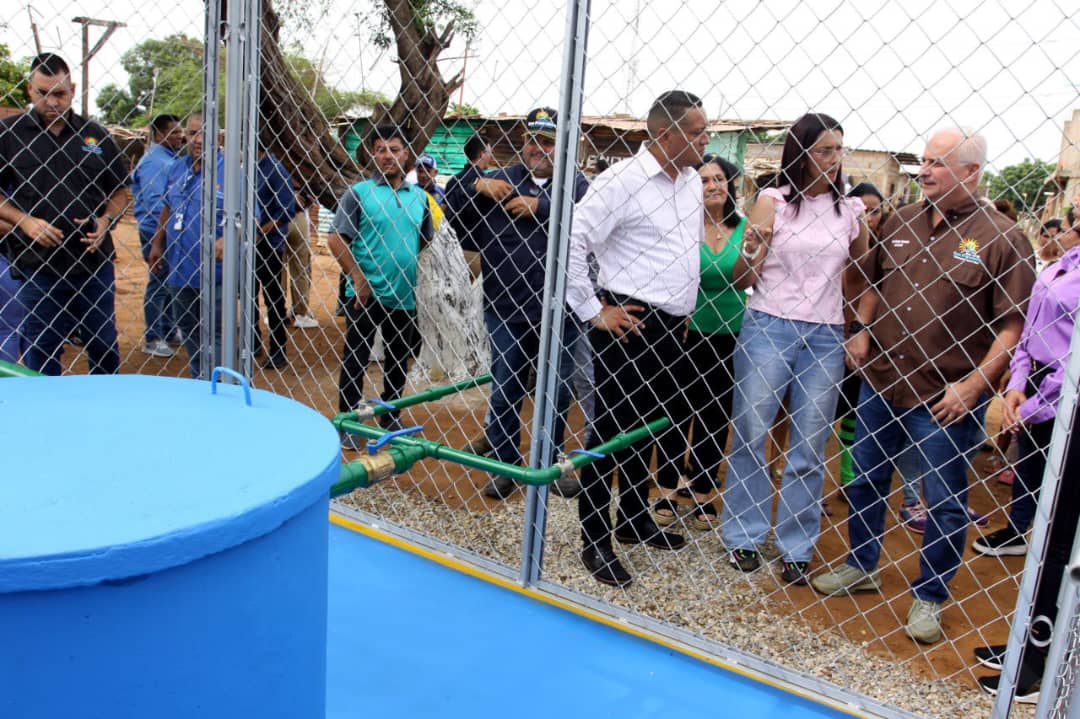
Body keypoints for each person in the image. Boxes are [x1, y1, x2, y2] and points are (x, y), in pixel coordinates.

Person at [812, 127, 1035, 645]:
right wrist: (863, 329)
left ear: (971, 172)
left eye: (938, 163)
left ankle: (930, 596)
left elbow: (1012, 325)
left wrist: (975, 386)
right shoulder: (901, 221)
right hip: (883, 381)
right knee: (866, 479)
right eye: (925, 162)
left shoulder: (1003, 238)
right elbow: (870, 279)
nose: (925, 171)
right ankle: (861, 565)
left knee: (943, 499)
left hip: (946, 396)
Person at [566, 90, 709, 587]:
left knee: (649, 425)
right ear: (664, 135)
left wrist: (684, 310)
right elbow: (573, 236)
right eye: (696, 132)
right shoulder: (623, 180)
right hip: (628, 320)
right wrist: (591, 310)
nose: (705, 139)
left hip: (671, 325)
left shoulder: (690, 182)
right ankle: (595, 538)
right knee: (609, 429)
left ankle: (631, 518)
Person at [720, 113, 869, 586]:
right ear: (800, 153)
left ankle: (795, 545)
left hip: (825, 334)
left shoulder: (851, 211)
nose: (833, 159)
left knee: (809, 445)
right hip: (769, 325)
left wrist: (858, 326)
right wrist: (752, 249)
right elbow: (743, 278)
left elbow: (864, 276)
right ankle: (744, 534)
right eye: (824, 150)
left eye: (838, 150)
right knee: (751, 431)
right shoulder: (773, 201)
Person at [974, 208, 1080, 703]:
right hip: (1035, 395)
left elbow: (1074, 359)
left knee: (1060, 540)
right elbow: (1032, 332)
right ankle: (1029, 641)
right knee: (1041, 532)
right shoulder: (1066, 261)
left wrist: (1035, 403)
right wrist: (1017, 388)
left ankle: (1041, 662)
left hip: (1067, 406)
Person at [461, 107, 589, 500]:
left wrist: (543, 208)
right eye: (533, 139)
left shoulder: (577, 186)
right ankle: (504, 464)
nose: (539, 147)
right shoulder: (500, 179)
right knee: (505, 388)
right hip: (505, 306)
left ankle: (549, 464)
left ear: (562, 147)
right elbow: (454, 210)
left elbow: (591, 218)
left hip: (560, 311)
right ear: (523, 142)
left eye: (548, 141)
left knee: (558, 390)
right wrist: (476, 186)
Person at [0, 53, 129, 376]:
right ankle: (47, 416)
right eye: (42, 93)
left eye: (59, 93)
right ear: (29, 90)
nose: (51, 101)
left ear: (72, 89)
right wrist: (25, 221)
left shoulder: (95, 135)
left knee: (103, 345)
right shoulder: (9, 135)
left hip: (92, 262)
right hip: (37, 264)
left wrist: (105, 222)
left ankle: (104, 410)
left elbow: (120, 191)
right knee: (42, 348)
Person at [653, 154, 749, 531]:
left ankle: (704, 489)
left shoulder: (745, 228)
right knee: (675, 409)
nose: (712, 186)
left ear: (731, 185)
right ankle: (666, 486)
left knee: (715, 414)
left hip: (731, 334)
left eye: (719, 178)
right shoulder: (681, 227)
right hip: (683, 332)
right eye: (704, 180)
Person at [328, 124, 432, 441]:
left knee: (398, 358)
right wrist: (358, 277)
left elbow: (424, 242)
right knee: (356, 358)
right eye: (381, 149)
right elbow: (335, 238)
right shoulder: (358, 193)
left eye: (394, 149)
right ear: (373, 154)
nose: (387, 156)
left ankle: (390, 418)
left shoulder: (421, 198)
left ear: (407, 155)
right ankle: (349, 424)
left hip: (403, 295)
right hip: (365, 295)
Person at [147, 112, 225, 379]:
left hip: (215, 272)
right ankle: (199, 377)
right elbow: (167, 208)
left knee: (216, 332)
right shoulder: (176, 169)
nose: (198, 140)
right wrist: (157, 244)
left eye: (205, 133)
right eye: (192, 134)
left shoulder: (231, 171)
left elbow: (250, 216)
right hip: (180, 267)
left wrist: (227, 238)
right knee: (190, 329)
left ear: (219, 137)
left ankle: (218, 382)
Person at [131, 113, 183, 357]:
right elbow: (155, 203)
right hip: (156, 231)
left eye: (179, 131)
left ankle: (169, 329)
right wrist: (161, 238)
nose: (179, 136)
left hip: (168, 230)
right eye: (173, 132)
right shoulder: (154, 162)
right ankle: (153, 337)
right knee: (159, 283)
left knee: (169, 282)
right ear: (159, 134)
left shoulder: (169, 158)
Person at [253, 148, 296, 369]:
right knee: (249, 294)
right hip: (249, 244)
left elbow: (287, 209)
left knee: (273, 297)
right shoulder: (249, 167)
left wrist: (262, 231)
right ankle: (253, 342)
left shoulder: (275, 170)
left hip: (268, 245)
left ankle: (278, 351)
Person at [444, 133, 494, 252]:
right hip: (475, 248)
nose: (491, 156)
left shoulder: (453, 181)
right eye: (490, 153)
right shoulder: (486, 183)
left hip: (452, 247)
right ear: (482, 154)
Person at [285, 186, 318, 329]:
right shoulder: (303, 172)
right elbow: (312, 200)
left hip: (276, 216)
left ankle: (277, 311)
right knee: (300, 268)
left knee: (278, 269)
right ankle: (300, 314)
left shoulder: (274, 168)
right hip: (297, 216)